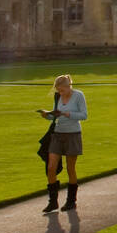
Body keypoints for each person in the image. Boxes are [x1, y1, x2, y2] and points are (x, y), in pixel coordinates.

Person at [41, 74, 88, 213]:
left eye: (62, 90)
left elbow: (84, 115)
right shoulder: (58, 97)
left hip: (73, 135)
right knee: (51, 167)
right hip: (58, 134)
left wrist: (68, 114)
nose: (60, 93)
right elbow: (55, 115)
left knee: (70, 168)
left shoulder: (79, 95)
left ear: (69, 86)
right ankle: (53, 201)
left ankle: (71, 201)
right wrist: (47, 115)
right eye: (59, 91)